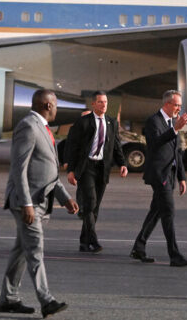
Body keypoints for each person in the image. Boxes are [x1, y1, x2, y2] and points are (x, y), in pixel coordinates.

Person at [0, 89, 79, 318]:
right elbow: (19, 168)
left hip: (40, 200)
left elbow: (49, 171)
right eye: (55, 104)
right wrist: (26, 204)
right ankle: (47, 300)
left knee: (21, 252)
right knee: (35, 249)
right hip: (28, 203)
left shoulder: (43, 128)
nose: (57, 108)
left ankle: (9, 299)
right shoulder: (28, 127)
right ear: (47, 105)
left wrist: (66, 198)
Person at [130, 90, 187, 267]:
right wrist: (175, 129)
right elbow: (155, 143)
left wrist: (182, 177)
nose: (179, 109)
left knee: (156, 211)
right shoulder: (153, 121)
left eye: (180, 106)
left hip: (170, 174)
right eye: (176, 105)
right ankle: (174, 255)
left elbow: (176, 152)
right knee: (168, 212)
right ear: (167, 104)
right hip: (159, 175)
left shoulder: (172, 123)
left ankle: (138, 247)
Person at [66, 91, 127, 253]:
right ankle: (93, 240)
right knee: (90, 202)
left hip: (102, 168)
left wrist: (122, 163)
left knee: (95, 207)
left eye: (105, 102)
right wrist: (71, 169)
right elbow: (73, 146)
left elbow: (116, 145)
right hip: (87, 168)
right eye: (100, 102)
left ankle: (84, 242)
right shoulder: (84, 122)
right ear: (93, 104)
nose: (104, 105)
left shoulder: (111, 123)